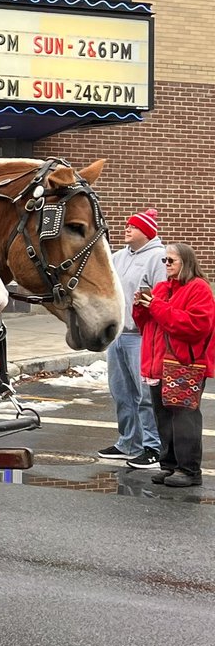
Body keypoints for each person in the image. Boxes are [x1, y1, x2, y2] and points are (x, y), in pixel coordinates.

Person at [133, 242, 213, 488]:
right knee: (163, 417)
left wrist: (155, 306)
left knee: (183, 419)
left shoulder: (199, 288)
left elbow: (195, 326)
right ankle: (169, 466)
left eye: (171, 261)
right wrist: (141, 306)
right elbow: (146, 325)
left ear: (186, 262)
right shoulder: (161, 288)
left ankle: (189, 470)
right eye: (164, 261)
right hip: (158, 364)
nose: (166, 265)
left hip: (183, 364)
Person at [98, 209, 166, 468]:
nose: (126, 229)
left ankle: (153, 446)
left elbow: (162, 296)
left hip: (141, 336)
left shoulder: (158, 258)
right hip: (118, 335)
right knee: (121, 392)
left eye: (133, 226)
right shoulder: (118, 257)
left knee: (146, 394)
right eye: (127, 225)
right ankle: (128, 442)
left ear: (147, 232)